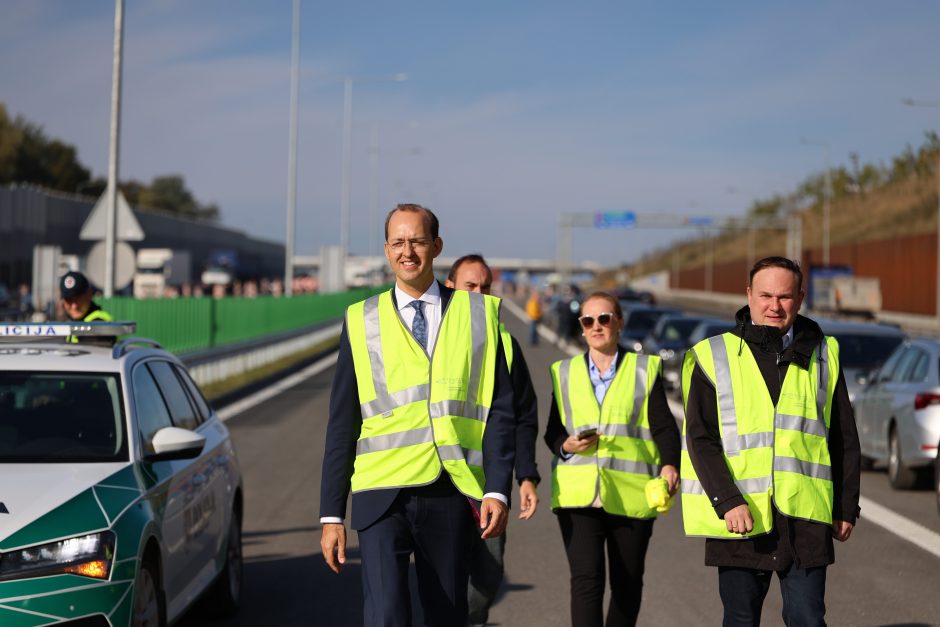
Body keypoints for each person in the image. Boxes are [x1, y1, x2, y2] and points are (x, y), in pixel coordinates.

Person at [319, 204, 516, 627]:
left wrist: (498, 489)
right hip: (380, 492)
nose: (407, 251)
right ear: (387, 250)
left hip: (449, 487)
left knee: (447, 616)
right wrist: (332, 514)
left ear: (436, 246)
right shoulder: (360, 319)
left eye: (417, 241)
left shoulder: (479, 316)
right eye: (398, 242)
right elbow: (342, 422)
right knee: (386, 614)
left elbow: (500, 411)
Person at [681, 256, 860, 627]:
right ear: (748, 295)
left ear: (800, 297)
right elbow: (700, 438)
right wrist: (727, 501)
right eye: (765, 295)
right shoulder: (711, 356)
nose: (774, 306)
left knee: (808, 619)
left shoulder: (825, 354)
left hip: (805, 517)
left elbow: (843, 436)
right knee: (741, 619)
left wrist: (846, 506)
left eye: (784, 296)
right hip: (741, 518)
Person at [544, 291, 680, 627]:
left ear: (619, 322)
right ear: (581, 327)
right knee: (586, 582)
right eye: (588, 320)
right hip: (578, 495)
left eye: (604, 318)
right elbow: (552, 433)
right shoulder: (564, 372)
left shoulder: (644, 369)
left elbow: (664, 427)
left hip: (630, 495)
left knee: (627, 584)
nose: (596, 326)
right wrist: (567, 446)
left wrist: (670, 465)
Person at [445, 254, 541, 627]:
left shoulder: (505, 344)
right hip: (439, 481)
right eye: (471, 285)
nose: (480, 293)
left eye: (485, 286)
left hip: (488, 484)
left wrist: (526, 475)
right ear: (450, 288)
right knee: (439, 580)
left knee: (487, 577)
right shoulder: (432, 343)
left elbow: (523, 415)